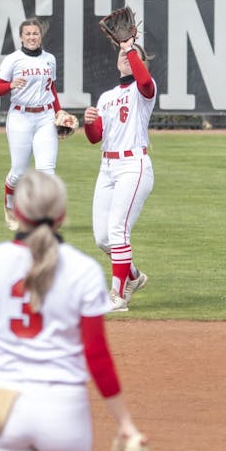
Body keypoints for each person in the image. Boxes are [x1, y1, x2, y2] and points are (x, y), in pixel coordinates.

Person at [0, 170, 143, 451]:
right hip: (63, 409)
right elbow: (97, 355)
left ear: (17, 211)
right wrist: (124, 421)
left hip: (0, 404)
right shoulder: (84, 270)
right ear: (62, 215)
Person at [83, 35, 156, 313]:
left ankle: (117, 296)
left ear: (139, 61)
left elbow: (146, 82)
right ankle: (134, 277)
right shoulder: (106, 97)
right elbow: (95, 137)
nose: (125, 56)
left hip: (133, 166)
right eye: (123, 54)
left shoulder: (143, 90)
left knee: (117, 231)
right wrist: (89, 123)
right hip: (108, 167)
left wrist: (131, 49)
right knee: (102, 237)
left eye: (131, 54)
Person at [0, 18, 62, 230]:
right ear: (21, 37)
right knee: (19, 171)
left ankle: (44, 217)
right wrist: (10, 84)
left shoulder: (50, 59)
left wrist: (59, 113)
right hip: (20, 116)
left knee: (47, 170)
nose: (32, 37)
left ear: (41, 36)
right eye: (28, 33)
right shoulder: (13, 60)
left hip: (45, 117)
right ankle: (10, 206)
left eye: (35, 33)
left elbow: (51, 88)